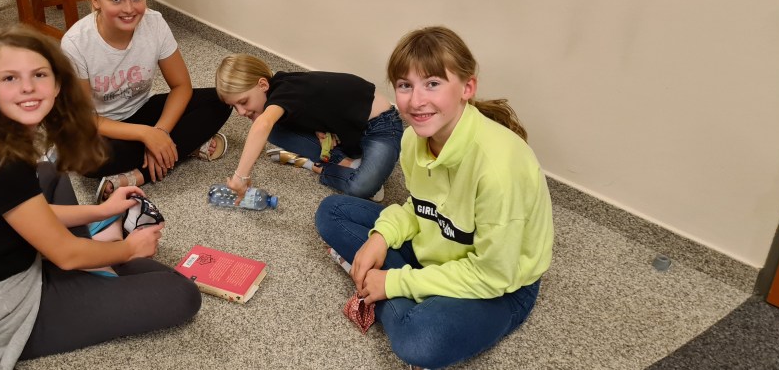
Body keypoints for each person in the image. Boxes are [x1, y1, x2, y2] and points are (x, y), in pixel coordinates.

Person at [0, 25, 200, 369]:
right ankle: (101, 250)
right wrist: (130, 248)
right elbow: (67, 255)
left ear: (57, 84)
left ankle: (100, 246)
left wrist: (100, 210)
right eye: (10, 78)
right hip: (0, 314)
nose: (27, 87)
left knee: (48, 173)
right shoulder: (1, 165)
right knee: (179, 293)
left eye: (39, 75)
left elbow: (31, 211)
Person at [315, 26, 553, 369]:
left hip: (500, 285)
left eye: (432, 83)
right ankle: (392, 284)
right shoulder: (413, 140)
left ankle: (380, 283)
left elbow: (492, 276)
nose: (416, 100)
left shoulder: (499, 170)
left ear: (467, 87)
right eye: (404, 85)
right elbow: (420, 207)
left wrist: (395, 282)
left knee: (418, 340)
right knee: (331, 211)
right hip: (438, 245)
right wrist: (382, 236)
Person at [61, 0, 231, 201]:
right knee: (86, 159)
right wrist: (146, 135)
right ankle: (183, 146)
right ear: (95, 0)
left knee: (222, 99)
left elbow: (181, 86)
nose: (129, 9)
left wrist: (160, 131)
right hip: (100, 127)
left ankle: (138, 175)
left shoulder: (155, 23)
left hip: (142, 111)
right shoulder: (75, 44)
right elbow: (85, 119)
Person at [215, 53, 403, 202]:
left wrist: (240, 176)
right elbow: (315, 106)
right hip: (346, 133)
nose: (241, 112)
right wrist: (320, 127)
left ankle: (316, 166)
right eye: (234, 107)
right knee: (273, 130)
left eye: (243, 102)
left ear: (263, 84)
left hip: (382, 126)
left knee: (364, 188)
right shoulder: (280, 98)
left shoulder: (285, 89)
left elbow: (263, 124)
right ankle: (345, 163)